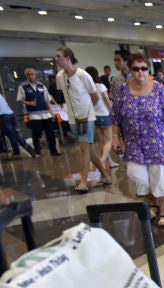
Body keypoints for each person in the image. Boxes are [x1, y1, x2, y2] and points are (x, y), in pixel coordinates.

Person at [110, 52, 164, 227]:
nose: (140, 72)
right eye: (136, 69)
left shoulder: (160, 90)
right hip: (135, 145)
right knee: (137, 178)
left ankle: (163, 212)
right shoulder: (123, 91)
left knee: (160, 180)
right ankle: (154, 204)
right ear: (130, 70)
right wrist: (114, 137)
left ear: (148, 69)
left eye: (144, 68)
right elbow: (115, 118)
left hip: (161, 144)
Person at [56, 46, 112, 194]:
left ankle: (83, 181)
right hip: (73, 119)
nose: (56, 59)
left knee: (83, 149)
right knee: (89, 150)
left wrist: (87, 110)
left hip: (86, 117)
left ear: (67, 58)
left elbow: (95, 96)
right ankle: (105, 175)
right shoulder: (60, 77)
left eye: (59, 56)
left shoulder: (83, 75)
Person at [82, 67, 113, 174]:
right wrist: (112, 111)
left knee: (101, 141)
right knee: (109, 140)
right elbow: (107, 100)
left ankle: (109, 161)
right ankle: (103, 159)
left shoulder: (86, 88)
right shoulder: (100, 86)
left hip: (94, 116)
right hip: (104, 114)